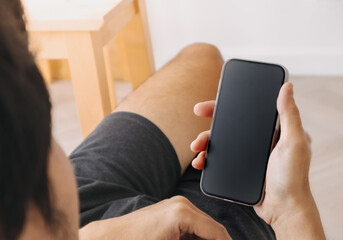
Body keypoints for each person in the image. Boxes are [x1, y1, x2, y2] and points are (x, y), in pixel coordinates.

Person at [0, 0, 326, 239]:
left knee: (202, 59)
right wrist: (292, 211)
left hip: (75, 222)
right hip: (66, 215)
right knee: (238, 181)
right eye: (47, 139)